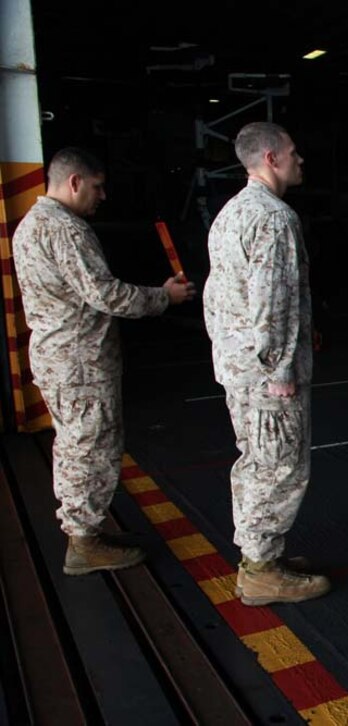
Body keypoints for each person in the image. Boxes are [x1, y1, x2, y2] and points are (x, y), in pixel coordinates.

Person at [13, 147, 194, 575]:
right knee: (90, 448)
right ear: (74, 182)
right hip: (80, 362)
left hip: (57, 356)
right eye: (97, 186)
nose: (103, 196)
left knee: (74, 444)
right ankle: (84, 541)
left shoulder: (30, 225)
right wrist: (162, 297)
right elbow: (106, 295)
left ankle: (84, 530)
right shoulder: (67, 230)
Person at [204, 122, 330, 605]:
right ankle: (260, 570)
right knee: (279, 467)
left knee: (255, 462)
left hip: (239, 366)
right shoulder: (274, 218)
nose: (301, 160)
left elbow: (218, 299)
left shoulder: (230, 214)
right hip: (267, 373)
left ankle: (262, 555)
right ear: (272, 158)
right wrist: (279, 370)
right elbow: (271, 301)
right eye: (295, 152)